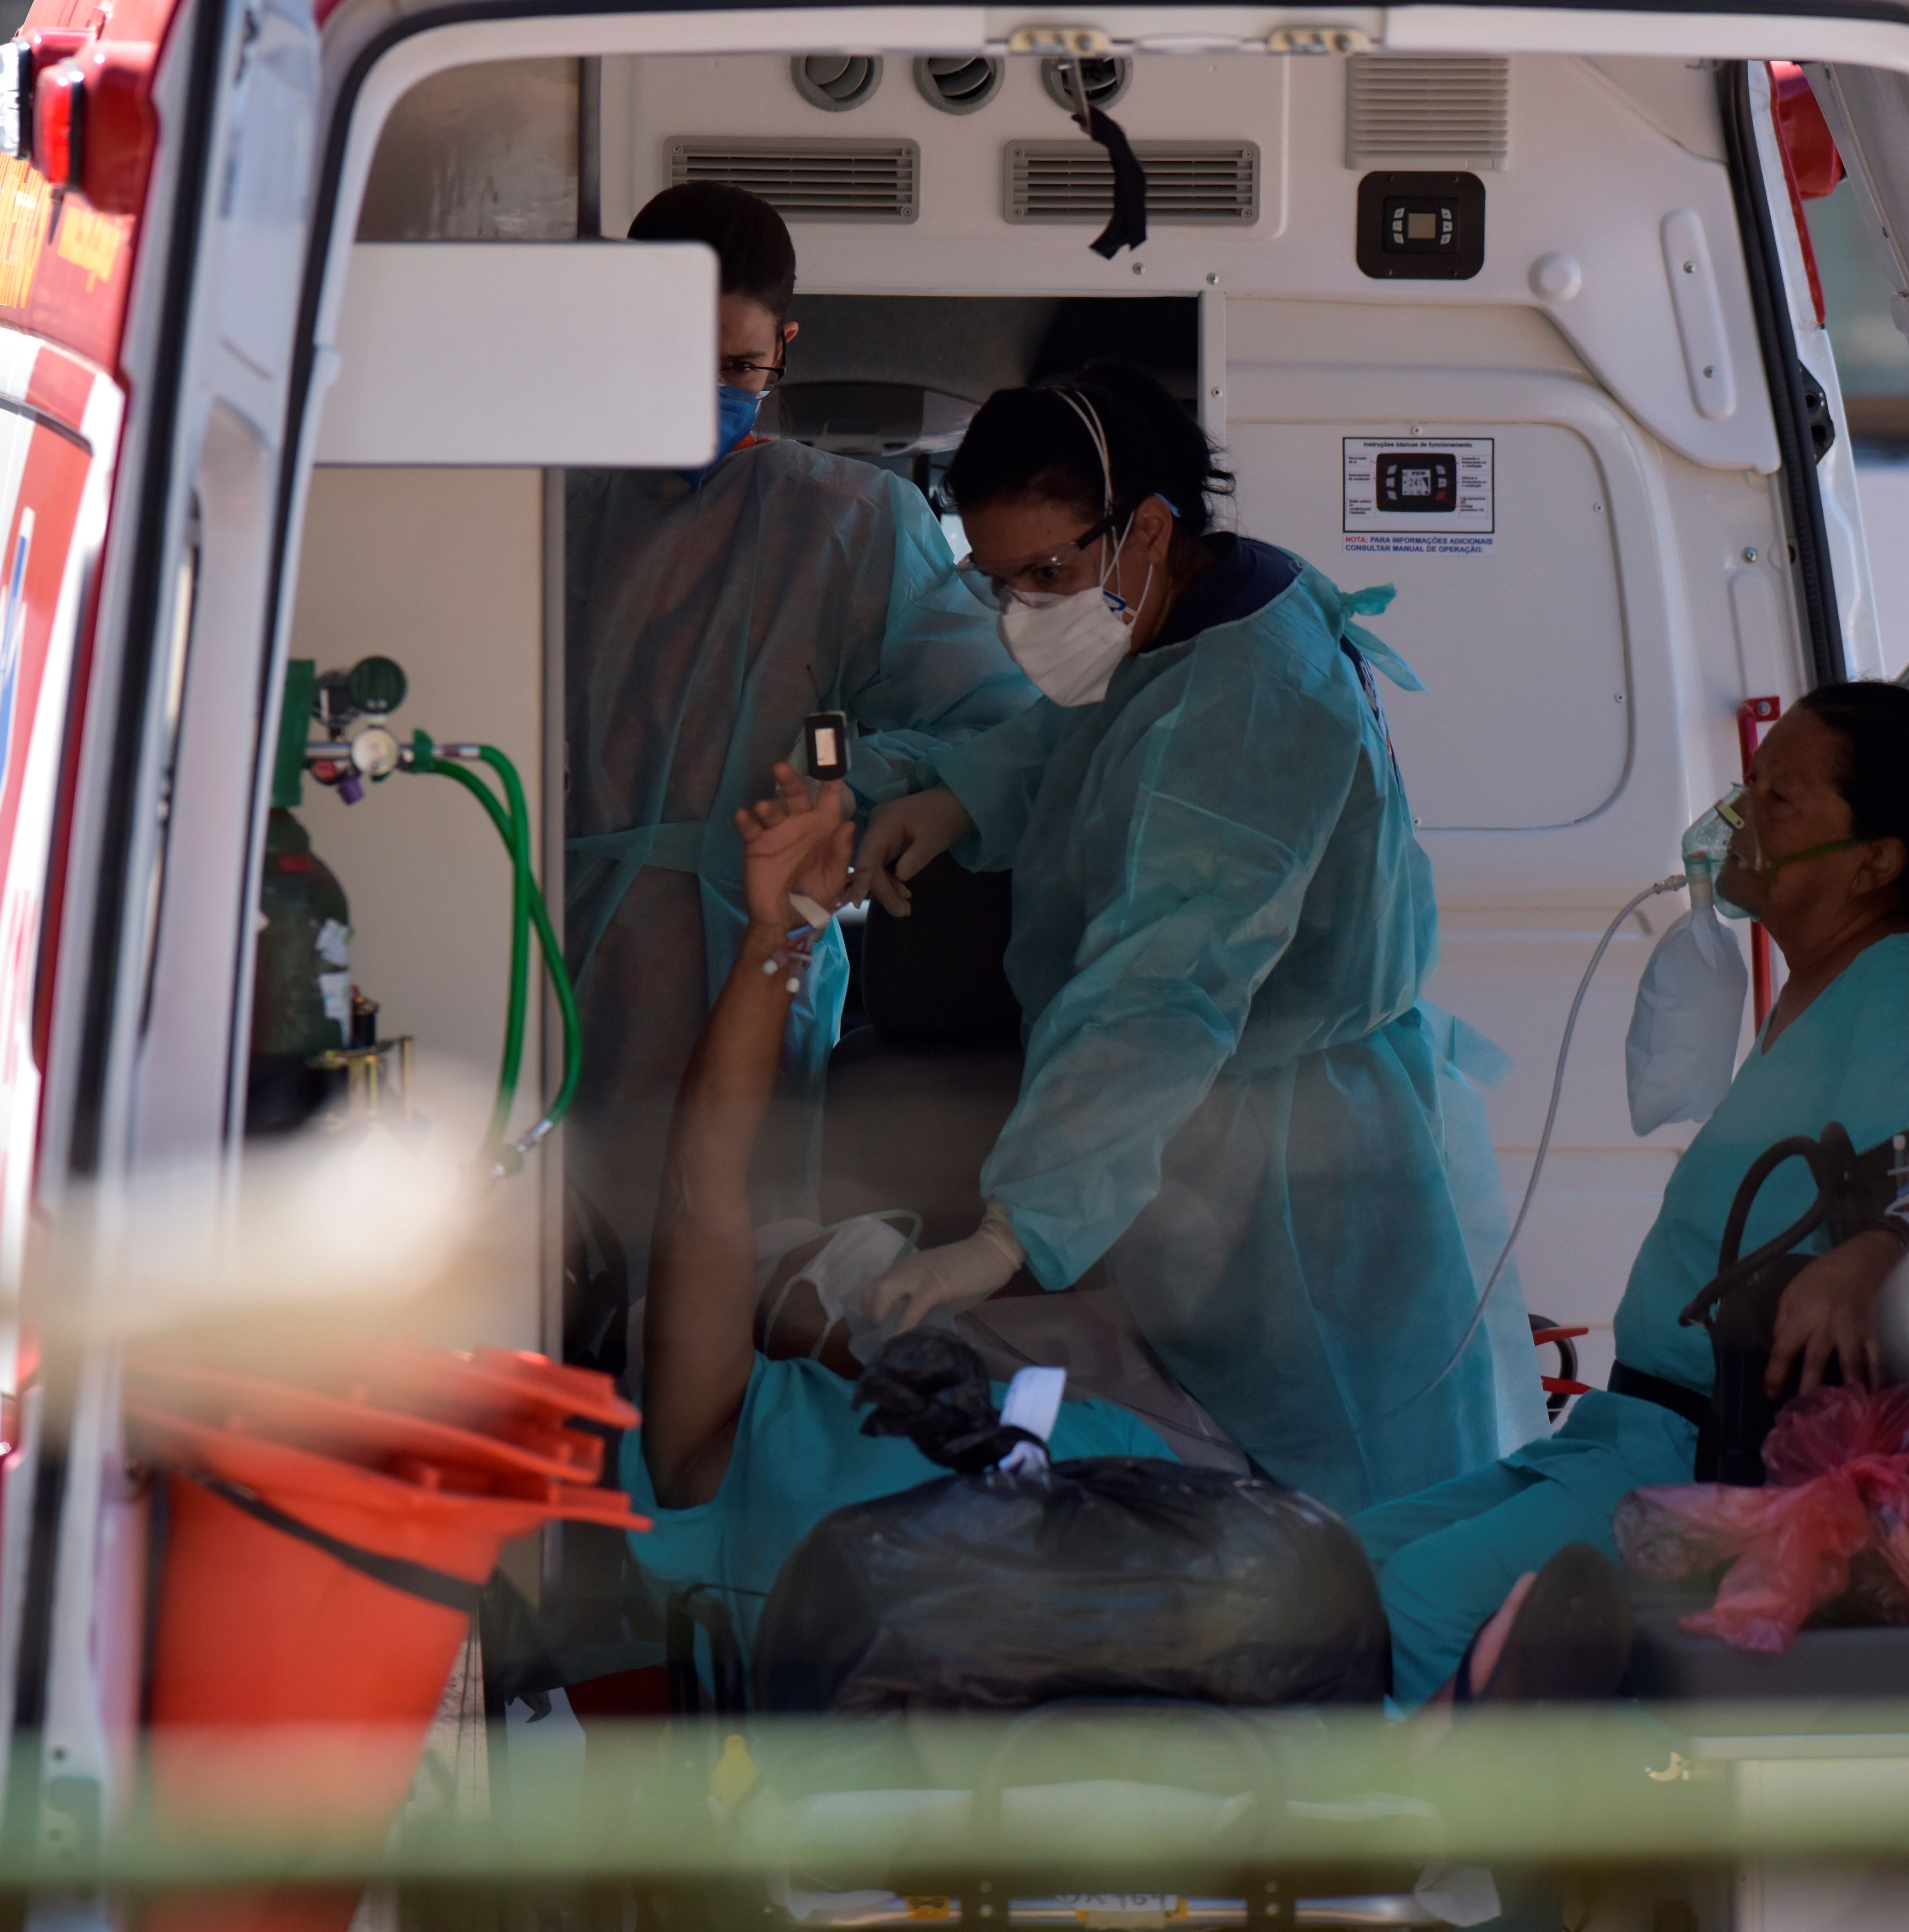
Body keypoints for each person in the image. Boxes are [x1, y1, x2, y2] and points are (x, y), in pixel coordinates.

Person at [850, 364, 1541, 1518]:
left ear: (1149, 527)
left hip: (1306, 1179)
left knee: (1352, 1507)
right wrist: (961, 794)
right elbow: (1092, 736)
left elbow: (1154, 992)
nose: (1026, 612)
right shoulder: (1200, 604)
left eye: (1049, 574)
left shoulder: (1250, 702)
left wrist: (1013, 1229)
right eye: (999, 582)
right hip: (1234, 1139)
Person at [1348, 683, 1909, 1708]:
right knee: (1340, 1561)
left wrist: (1871, 1251)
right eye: (1747, 787)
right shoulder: (1823, 982)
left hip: (1702, 1452)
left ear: (1874, 862)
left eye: (1777, 801)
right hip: (1632, 1424)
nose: (1738, 820)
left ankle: (1385, 1840)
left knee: (1416, 1598)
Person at [560, 181, 1034, 1370]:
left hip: (751, 959)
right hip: (549, 952)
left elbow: (999, 725)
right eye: (675, 361)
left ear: (785, 347)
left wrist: (849, 780)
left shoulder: (848, 522)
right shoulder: (534, 507)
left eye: (737, 366)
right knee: (551, 1279)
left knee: (717, 1281)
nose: (707, 397)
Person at [627, 763, 1171, 1643]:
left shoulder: (1096, 1433)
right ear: (756, 1314)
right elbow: (704, 1184)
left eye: (836, 1259)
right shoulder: (722, 1444)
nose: (866, 1268)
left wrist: (786, 928)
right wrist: (780, 930)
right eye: (818, 1262)